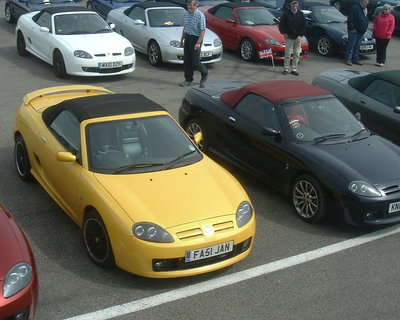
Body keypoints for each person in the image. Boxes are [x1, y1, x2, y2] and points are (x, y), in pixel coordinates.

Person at [179, 0, 208, 87]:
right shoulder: (186, 14)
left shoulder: (200, 15)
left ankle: (205, 72)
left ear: (196, 6)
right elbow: (185, 28)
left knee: (195, 61)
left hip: (196, 39)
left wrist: (198, 43)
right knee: (186, 61)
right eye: (188, 4)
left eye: (191, 5)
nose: (189, 7)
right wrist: (182, 40)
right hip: (188, 37)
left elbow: (203, 30)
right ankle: (188, 80)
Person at [279, 0, 306, 76]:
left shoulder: (301, 14)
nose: (294, 5)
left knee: (296, 54)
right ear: (290, 5)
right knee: (287, 54)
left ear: (297, 4)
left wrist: (300, 35)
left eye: (296, 3)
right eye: (293, 3)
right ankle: (286, 69)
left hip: (297, 38)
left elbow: (304, 26)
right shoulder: (286, 14)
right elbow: (281, 25)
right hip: (289, 37)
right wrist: (284, 33)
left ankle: (294, 69)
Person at [344, 0, 369, 66]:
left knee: (357, 46)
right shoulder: (354, 8)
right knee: (351, 46)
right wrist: (352, 28)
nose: (367, 3)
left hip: (361, 32)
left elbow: (366, 19)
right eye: (366, 1)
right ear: (362, 1)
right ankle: (348, 59)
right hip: (354, 32)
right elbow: (350, 19)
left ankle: (355, 59)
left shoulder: (365, 9)